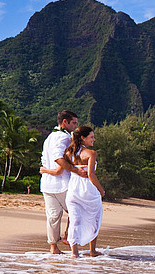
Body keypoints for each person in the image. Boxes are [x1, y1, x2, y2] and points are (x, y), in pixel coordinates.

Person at [41, 126, 105, 257]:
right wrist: (101, 190)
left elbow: (59, 170)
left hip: (73, 189)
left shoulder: (69, 154)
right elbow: (91, 175)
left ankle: (74, 253)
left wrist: (45, 170)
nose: (94, 139)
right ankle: (92, 251)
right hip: (88, 190)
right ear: (83, 138)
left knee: (75, 220)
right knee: (94, 219)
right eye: (91, 137)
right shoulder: (91, 153)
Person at [39, 110, 86, 254]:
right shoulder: (62, 138)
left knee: (53, 217)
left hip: (47, 184)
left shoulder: (49, 137)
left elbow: (44, 160)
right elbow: (58, 159)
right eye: (73, 123)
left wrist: (48, 171)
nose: (75, 127)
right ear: (64, 122)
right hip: (62, 184)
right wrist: (76, 171)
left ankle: (53, 247)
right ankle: (67, 236)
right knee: (76, 210)